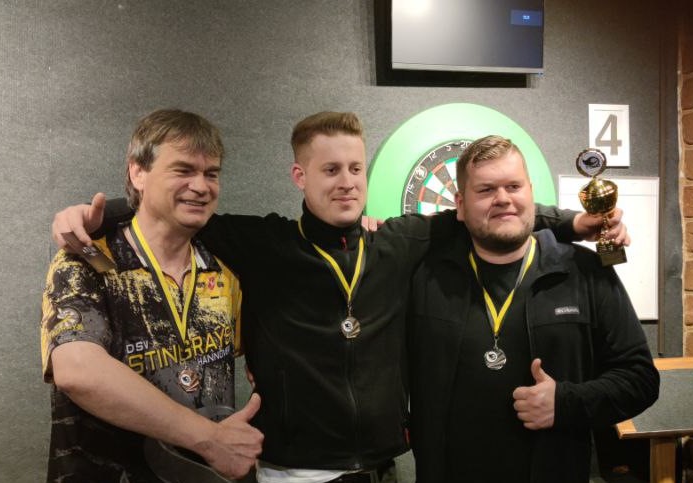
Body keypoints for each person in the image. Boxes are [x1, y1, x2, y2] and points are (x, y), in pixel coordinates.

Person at [51, 112, 628, 483]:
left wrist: (576, 223)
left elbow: (489, 210)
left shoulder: (400, 241)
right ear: (299, 176)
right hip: (288, 471)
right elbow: (177, 208)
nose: (347, 181)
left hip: (381, 468)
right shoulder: (263, 243)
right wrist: (98, 214)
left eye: (355, 167)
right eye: (330, 169)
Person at [407, 135, 659, 483]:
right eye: (486, 190)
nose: (503, 199)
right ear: (460, 206)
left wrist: (565, 403)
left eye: (514, 186)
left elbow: (640, 380)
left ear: (530, 193)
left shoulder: (585, 272)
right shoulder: (424, 277)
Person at [40, 109, 264, 482]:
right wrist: (210, 439)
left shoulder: (224, 267)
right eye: (183, 170)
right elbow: (78, 371)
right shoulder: (86, 260)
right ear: (138, 173)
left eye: (211, 174)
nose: (201, 186)